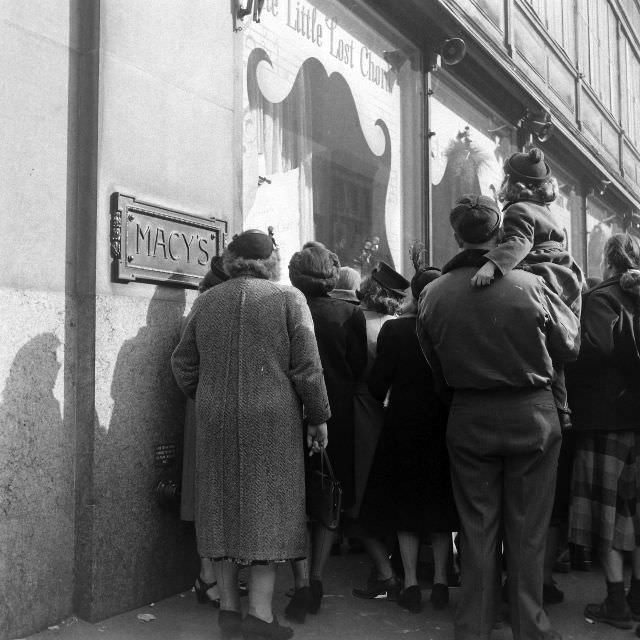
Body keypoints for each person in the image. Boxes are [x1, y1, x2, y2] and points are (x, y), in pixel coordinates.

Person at [417, 195, 580, 640]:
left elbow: (434, 364)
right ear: (499, 233)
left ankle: (474, 625)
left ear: (456, 235)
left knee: (476, 528)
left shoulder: (433, 293)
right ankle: (531, 624)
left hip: (468, 413)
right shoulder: (532, 285)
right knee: (528, 529)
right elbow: (570, 347)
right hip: (532, 412)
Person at [171, 229, 330, 640]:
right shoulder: (288, 299)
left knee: (222, 510)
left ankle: (228, 610)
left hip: (216, 419)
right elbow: (308, 367)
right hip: (273, 420)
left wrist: (206, 395)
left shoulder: (207, 302)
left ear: (231, 258)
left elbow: (183, 362)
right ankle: (260, 616)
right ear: (271, 262)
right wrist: (318, 416)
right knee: (269, 513)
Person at [359, 267, 459, 613]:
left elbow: (376, 385)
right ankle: (444, 581)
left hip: (403, 425)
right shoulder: (452, 327)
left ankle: (413, 584)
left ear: (414, 294)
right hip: (444, 424)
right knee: (439, 504)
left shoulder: (396, 329)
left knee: (406, 506)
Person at [469, 149, 584, 428]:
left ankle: (559, 405)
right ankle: (562, 408)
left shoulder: (518, 210)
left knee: (543, 345)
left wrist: (491, 266)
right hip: (564, 277)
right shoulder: (544, 210)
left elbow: (518, 243)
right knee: (556, 348)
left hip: (543, 274)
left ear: (510, 182)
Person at [285, 243, 367, 622]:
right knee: (330, 492)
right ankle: (317, 576)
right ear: (331, 275)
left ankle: (302, 581)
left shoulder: (283, 309)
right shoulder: (350, 314)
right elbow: (358, 367)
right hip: (338, 415)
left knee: (295, 496)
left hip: (292, 412)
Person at [567, 233, 640, 631]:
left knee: (608, 515)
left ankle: (616, 602)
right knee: (636, 515)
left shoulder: (601, 297)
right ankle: (638, 597)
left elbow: (597, 351)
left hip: (606, 421)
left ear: (609, 260)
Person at [350, 262, 409, 601]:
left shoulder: (359, 323)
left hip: (362, 412)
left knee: (361, 493)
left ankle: (384, 573)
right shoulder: (399, 326)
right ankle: (392, 568)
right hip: (393, 415)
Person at [180, 257, 230, 606]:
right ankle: (207, 576)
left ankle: (213, 576)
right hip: (207, 408)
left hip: (210, 406)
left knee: (216, 493)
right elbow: (186, 362)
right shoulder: (209, 310)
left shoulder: (207, 308)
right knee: (208, 493)